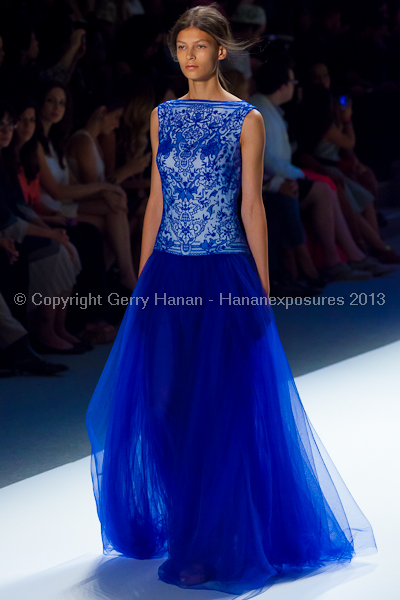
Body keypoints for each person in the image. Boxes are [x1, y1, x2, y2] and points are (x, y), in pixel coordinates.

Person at [86, 5, 377, 597]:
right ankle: (187, 517)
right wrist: (143, 284)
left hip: (224, 274)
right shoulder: (163, 116)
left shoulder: (246, 120)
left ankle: (213, 539)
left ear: (222, 51)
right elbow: (155, 201)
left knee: (219, 405)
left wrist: (262, 295)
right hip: (168, 272)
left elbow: (252, 208)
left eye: (199, 46)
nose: (188, 56)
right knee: (163, 401)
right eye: (181, 47)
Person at [250, 56, 392, 279]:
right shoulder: (261, 111)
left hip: (279, 176)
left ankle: (354, 254)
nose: (296, 87)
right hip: (272, 181)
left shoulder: (268, 108)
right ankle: (341, 258)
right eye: (293, 82)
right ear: (283, 86)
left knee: (330, 187)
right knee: (324, 189)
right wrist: (292, 175)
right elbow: (265, 159)